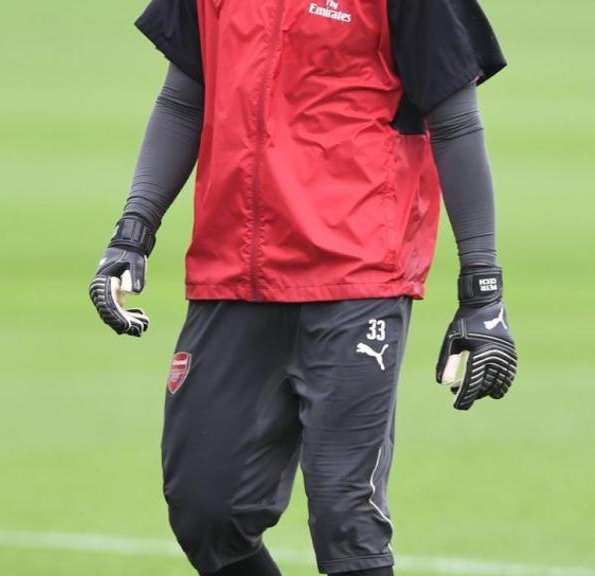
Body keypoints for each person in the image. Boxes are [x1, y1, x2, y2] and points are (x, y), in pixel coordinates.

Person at [89, 1, 519, 574]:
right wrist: (132, 232)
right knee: (205, 510)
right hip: (231, 274)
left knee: (348, 521)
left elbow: (458, 121)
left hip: (357, 274)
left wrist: (482, 295)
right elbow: (184, 99)